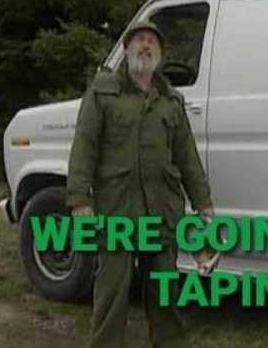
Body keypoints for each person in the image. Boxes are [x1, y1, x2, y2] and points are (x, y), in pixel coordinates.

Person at [66, 21, 215, 348]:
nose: (145, 45)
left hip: (162, 210)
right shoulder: (103, 92)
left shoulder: (170, 101)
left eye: (151, 42)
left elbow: (187, 156)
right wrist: (79, 200)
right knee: (112, 291)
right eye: (139, 40)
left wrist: (203, 203)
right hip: (116, 210)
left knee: (165, 289)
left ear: (159, 53)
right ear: (127, 49)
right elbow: (84, 146)